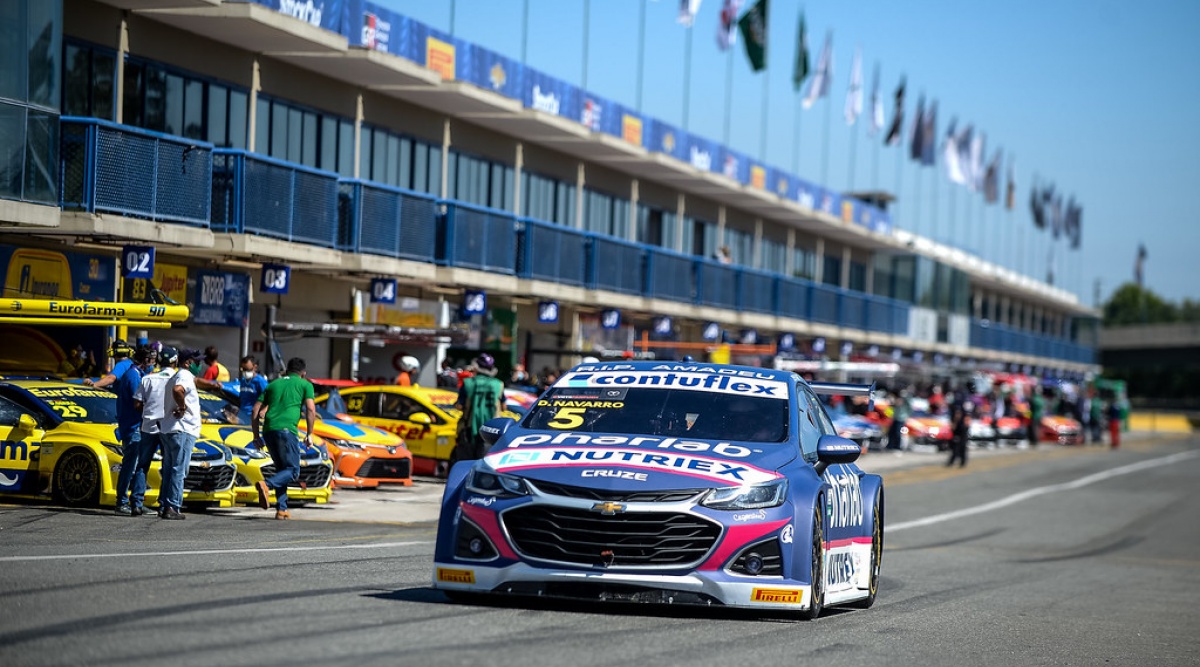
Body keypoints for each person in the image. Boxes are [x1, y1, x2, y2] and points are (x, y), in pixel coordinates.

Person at [252, 357, 316, 520]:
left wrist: (256, 436)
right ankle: (267, 484)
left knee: (282, 470)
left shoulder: (273, 384)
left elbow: (255, 410)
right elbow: (310, 409)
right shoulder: (305, 385)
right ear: (303, 373)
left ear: (287, 371)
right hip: (287, 431)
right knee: (293, 471)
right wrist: (309, 434)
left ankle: (282, 509)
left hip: (269, 431)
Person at [113, 345, 157, 516]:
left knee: (138, 466)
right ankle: (121, 502)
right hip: (133, 427)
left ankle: (135, 502)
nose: (154, 364)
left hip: (137, 426)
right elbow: (138, 402)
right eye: (152, 361)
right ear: (145, 360)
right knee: (130, 466)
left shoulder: (139, 375)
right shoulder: (133, 376)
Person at [134, 346, 177, 517]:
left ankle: (136, 503)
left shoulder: (148, 379)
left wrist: (149, 412)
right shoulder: (177, 379)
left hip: (148, 426)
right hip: (168, 427)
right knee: (167, 466)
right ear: (175, 361)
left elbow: (137, 404)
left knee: (142, 465)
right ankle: (164, 505)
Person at [160, 346, 201, 520]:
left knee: (170, 469)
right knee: (179, 469)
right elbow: (178, 390)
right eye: (197, 362)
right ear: (188, 362)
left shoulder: (177, 375)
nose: (199, 365)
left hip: (170, 429)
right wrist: (183, 407)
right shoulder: (184, 375)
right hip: (182, 429)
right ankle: (173, 506)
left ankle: (165, 504)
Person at [452, 353, 505, 463]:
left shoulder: (468, 383)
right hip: (491, 431)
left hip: (469, 428)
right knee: (485, 462)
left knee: (465, 462)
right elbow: (504, 407)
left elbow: (460, 405)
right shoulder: (499, 384)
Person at [236, 355, 268, 426]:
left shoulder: (260, 382)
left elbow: (270, 398)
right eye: (243, 369)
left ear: (255, 367)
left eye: (247, 369)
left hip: (253, 417)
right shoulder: (243, 381)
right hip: (242, 417)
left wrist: (263, 411)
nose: (244, 372)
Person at [947, 401, 972, 467]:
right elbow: (952, 428)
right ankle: (951, 463)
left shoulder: (965, 418)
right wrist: (955, 420)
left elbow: (966, 427)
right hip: (956, 436)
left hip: (963, 436)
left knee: (962, 450)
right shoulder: (954, 420)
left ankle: (962, 463)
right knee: (955, 450)